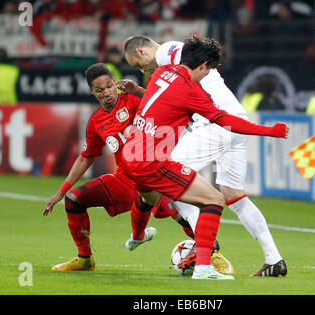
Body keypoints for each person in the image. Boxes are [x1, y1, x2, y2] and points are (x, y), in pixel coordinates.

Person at [120, 35, 288, 280]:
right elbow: (173, 97)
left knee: (171, 183)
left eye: (137, 64)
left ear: (142, 51)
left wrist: (268, 131)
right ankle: (274, 260)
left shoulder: (167, 58)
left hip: (215, 125)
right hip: (235, 121)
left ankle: (204, 254)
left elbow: (185, 95)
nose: (142, 69)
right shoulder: (176, 65)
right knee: (234, 196)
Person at [42, 63, 215, 271]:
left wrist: (140, 91)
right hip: (124, 179)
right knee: (73, 201)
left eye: (109, 86)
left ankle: (213, 255)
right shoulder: (96, 121)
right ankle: (85, 259)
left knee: (180, 214)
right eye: (100, 89)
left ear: (115, 83)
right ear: (92, 92)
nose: (107, 92)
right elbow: (85, 158)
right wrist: (60, 193)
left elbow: (162, 102)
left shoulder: (133, 100)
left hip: (153, 173)